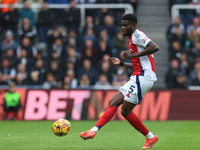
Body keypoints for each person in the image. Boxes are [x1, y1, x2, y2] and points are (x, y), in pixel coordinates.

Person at [80, 13, 159, 149]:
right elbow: (138, 64)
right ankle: (93, 131)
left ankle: (150, 137)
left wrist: (132, 55)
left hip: (143, 78)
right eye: (122, 25)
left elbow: (155, 47)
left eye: (126, 25)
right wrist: (121, 63)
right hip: (138, 76)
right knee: (113, 102)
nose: (122, 28)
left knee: (125, 111)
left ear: (133, 25)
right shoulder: (132, 38)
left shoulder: (137, 35)